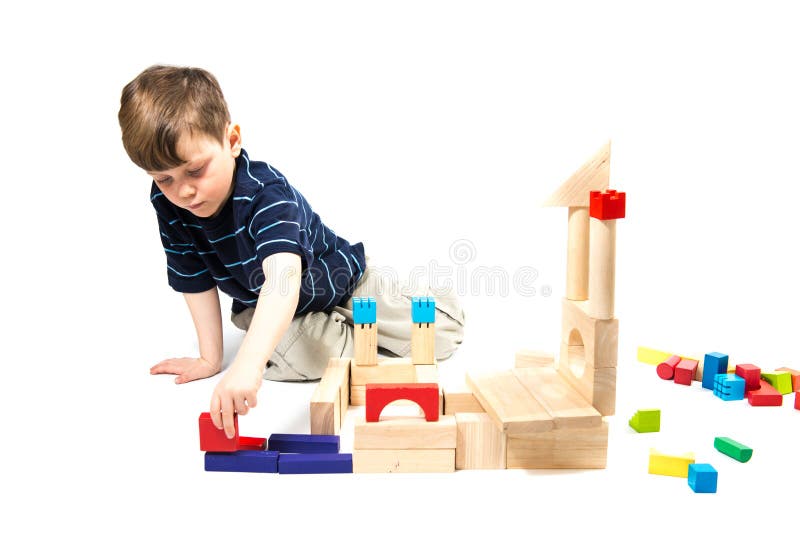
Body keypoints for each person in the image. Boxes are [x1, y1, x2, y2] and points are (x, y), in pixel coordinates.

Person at [118, 65, 465, 438]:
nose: (183, 191)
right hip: (272, 303)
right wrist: (210, 358)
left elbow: (283, 280)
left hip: (338, 281)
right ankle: (342, 341)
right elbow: (192, 276)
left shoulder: (264, 195)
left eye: (196, 170)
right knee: (295, 351)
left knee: (440, 334)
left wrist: (249, 364)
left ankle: (386, 316)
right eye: (164, 179)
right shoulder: (168, 204)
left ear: (231, 140)